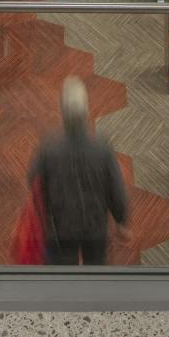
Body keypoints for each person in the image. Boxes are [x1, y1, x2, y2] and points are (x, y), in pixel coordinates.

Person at [28, 77, 129, 266]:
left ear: (62, 112)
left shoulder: (48, 148)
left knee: (63, 282)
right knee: (95, 277)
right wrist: (121, 220)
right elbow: (116, 188)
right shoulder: (101, 148)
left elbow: (33, 181)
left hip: (60, 229)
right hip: (95, 228)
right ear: (86, 112)